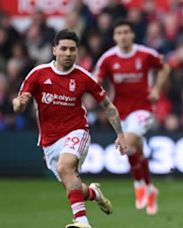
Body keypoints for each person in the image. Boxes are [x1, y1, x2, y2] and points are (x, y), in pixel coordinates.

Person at [13, 29, 127, 228]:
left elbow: (107, 105)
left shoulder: (84, 77)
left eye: (72, 50)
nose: (68, 53)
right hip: (49, 141)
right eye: (64, 49)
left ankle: (82, 223)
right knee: (72, 183)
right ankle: (95, 194)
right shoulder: (39, 74)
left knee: (65, 167)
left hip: (77, 131)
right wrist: (20, 104)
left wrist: (120, 134)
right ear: (54, 50)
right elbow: (18, 103)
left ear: (77, 52)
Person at [93, 19, 170, 215]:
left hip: (143, 109)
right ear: (114, 36)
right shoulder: (108, 59)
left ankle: (138, 184)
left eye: (126, 32)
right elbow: (96, 80)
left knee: (127, 143)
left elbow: (165, 67)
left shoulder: (145, 54)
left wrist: (156, 89)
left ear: (132, 34)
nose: (123, 36)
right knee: (136, 149)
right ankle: (150, 187)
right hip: (120, 112)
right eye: (119, 33)